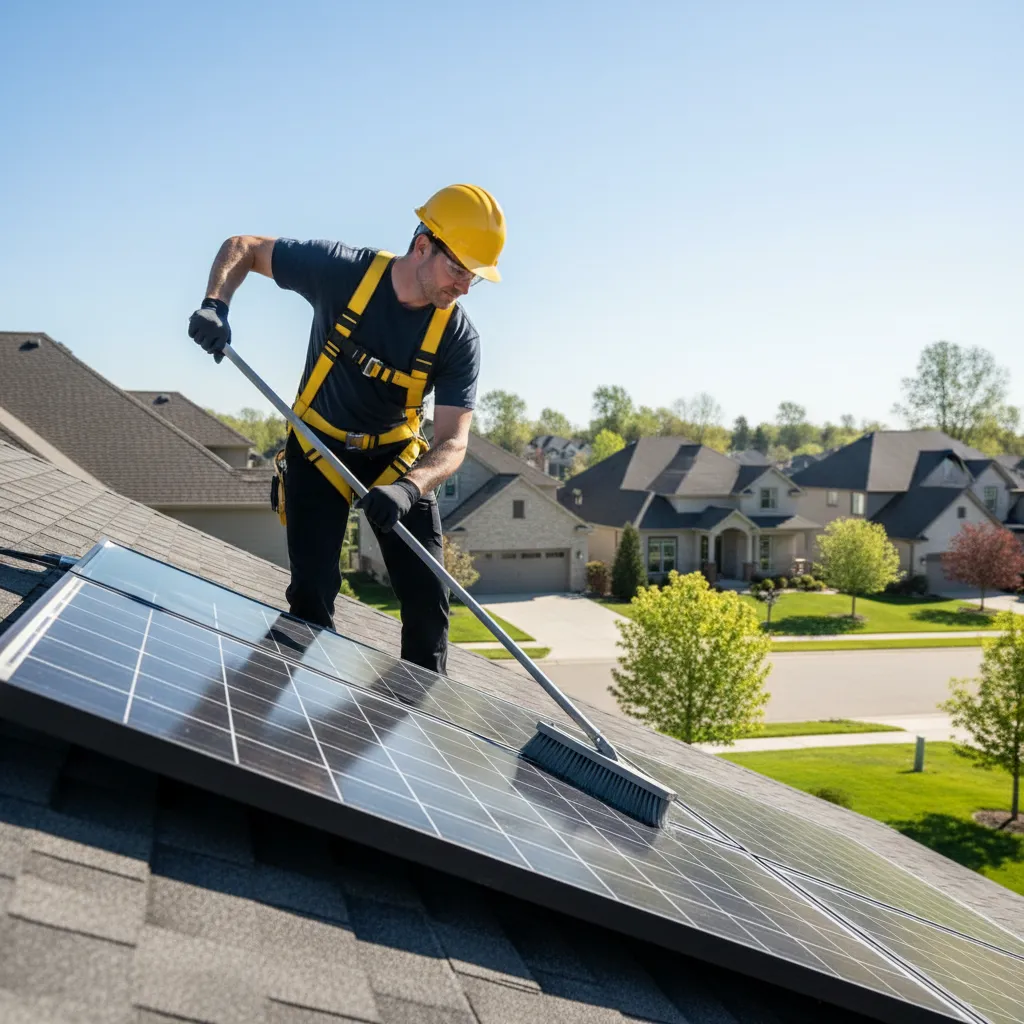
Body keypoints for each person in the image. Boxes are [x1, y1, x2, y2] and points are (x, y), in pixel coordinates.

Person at [187, 184, 505, 674]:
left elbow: (453, 442)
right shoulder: (343, 271)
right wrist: (216, 304)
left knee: (427, 599)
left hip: (396, 462)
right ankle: (309, 712)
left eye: (474, 278)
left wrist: (408, 487)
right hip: (318, 448)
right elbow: (244, 247)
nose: (463, 288)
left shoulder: (457, 337)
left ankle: (417, 725)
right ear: (423, 245)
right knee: (312, 594)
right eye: (458, 269)